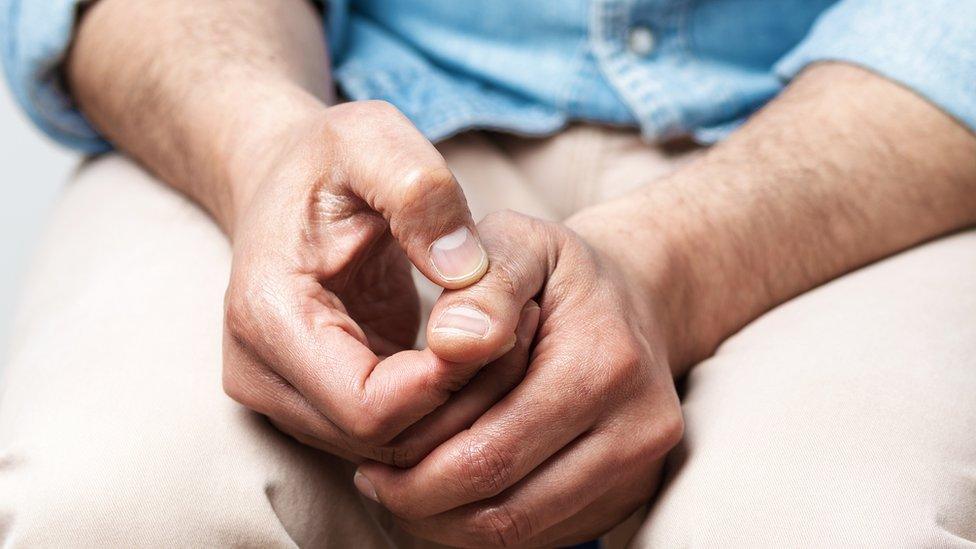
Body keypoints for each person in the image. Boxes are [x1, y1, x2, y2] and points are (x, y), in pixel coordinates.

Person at [1, 0, 974, 546]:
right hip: (314, 96)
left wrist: (672, 266)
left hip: (872, 137)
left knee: (825, 525)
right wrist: (265, 148)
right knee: (115, 501)